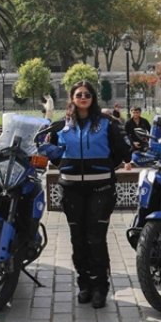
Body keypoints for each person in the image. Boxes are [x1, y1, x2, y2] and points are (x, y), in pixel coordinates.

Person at [49, 81, 130, 308]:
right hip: (71, 188)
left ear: (93, 98)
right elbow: (54, 155)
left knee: (96, 238)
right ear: (72, 98)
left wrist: (107, 167)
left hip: (100, 189)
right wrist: (57, 158)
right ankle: (84, 284)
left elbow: (122, 150)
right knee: (78, 239)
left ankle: (100, 287)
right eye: (79, 94)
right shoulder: (63, 125)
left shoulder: (106, 123)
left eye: (87, 94)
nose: (83, 97)